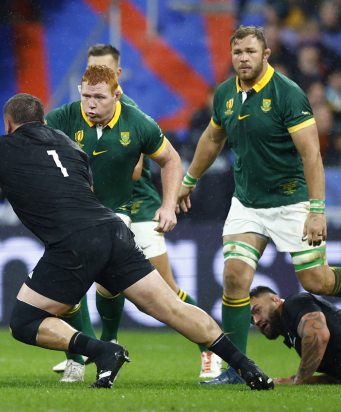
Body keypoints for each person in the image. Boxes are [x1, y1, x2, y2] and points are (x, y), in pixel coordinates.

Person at [0, 93, 275, 391]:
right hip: (113, 229)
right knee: (170, 308)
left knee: (24, 322)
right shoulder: (72, 148)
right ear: (43, 121)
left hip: (73, 242)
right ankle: (247, 366)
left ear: (9, 123)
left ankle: (102, 351)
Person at [177, 26, 341, 385]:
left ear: (265, 55)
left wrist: (316, 209)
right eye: (238, 53)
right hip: (247, 204)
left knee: (317, 281)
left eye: (251, 52)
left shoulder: (287, 94)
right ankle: (238, 370)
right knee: (234, 279)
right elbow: (211, 138)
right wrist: (187, 180)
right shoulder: (225, 94)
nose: (243, 59)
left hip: (291, 202)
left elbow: (311, 152)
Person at [48, 45, 221, 381]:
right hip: (102, 211)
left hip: (138, 207)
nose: (94, 86)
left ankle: (209, 348)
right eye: (90, 72)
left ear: (118, 79)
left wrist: (168, 203)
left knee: (164, 291)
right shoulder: (74, 114)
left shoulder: (132, 117)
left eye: (103, 71)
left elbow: (137, 171)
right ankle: (92, 349)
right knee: (82, 278)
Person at [250, 286, 340, 384]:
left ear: (275, 299)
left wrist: (298, 382)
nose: (256, 321)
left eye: (257, 310)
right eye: (251, 320)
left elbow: (318, 335)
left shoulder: (293, 303)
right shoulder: (291, 329)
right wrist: (311, 380)